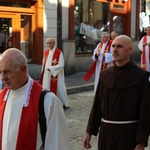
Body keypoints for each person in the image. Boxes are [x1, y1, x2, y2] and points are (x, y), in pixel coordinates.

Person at [83, 35, 150, 150]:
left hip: (129, 135)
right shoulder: (105, 75)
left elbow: (146, 111)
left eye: (119, 46)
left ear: (129, 50)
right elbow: (97, 105)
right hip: (107, 134)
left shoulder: (140, 76)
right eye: (113, 46)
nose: (114, 49)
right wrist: (89, 131)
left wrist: (141, 142)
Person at [0, 48, 69, 150]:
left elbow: (57, 145)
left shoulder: (48, 101)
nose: (2, 77)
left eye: (7, 72)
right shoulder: (1, 97)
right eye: (0, 72)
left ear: (23, 70)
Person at [39, 38, 69, 109]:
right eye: (48, 43)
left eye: (50, 43)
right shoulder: (46, 53)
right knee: (46, 88)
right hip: (47, 75)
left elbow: (61, 64)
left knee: (60, 89)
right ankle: (49, 103)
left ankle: (64, 103)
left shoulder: (59, 52)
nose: (49, 44)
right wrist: (43, 72)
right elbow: (43, 64)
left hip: (56, 75)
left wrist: (52, 69)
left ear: (54, 43)